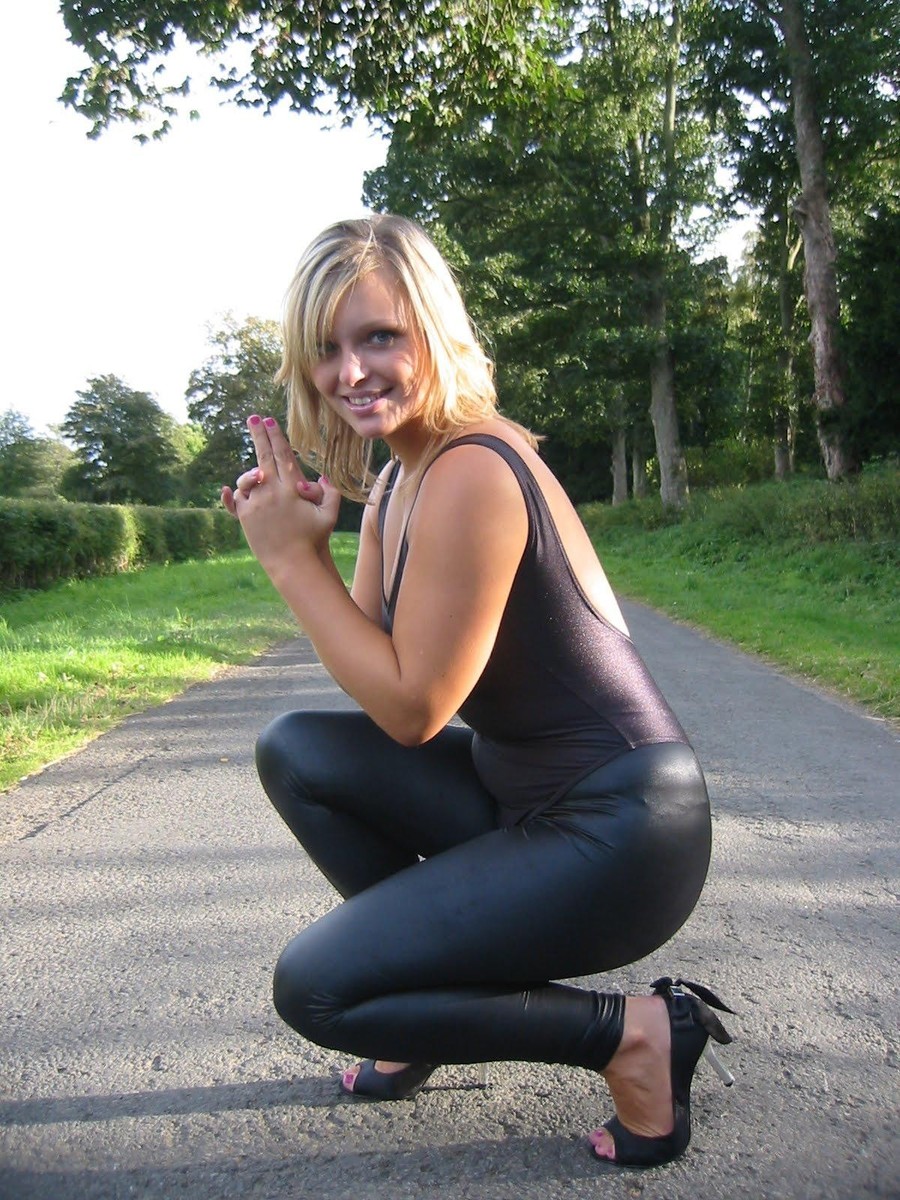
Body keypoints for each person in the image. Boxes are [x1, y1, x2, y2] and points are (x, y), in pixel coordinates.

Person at [221, 214, 733, 1168]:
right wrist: (311, 545)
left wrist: (293, 567)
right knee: (297, 749)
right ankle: (422, 1009)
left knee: (316, 987)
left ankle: (635, 1035)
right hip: (521, 801)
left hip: (619, 835)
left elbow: (414, 712)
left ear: (433, 330)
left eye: (379, 336)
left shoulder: (471, 469)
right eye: (326, 348)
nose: (350, 371)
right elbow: (375, 674)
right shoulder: (399, 479)